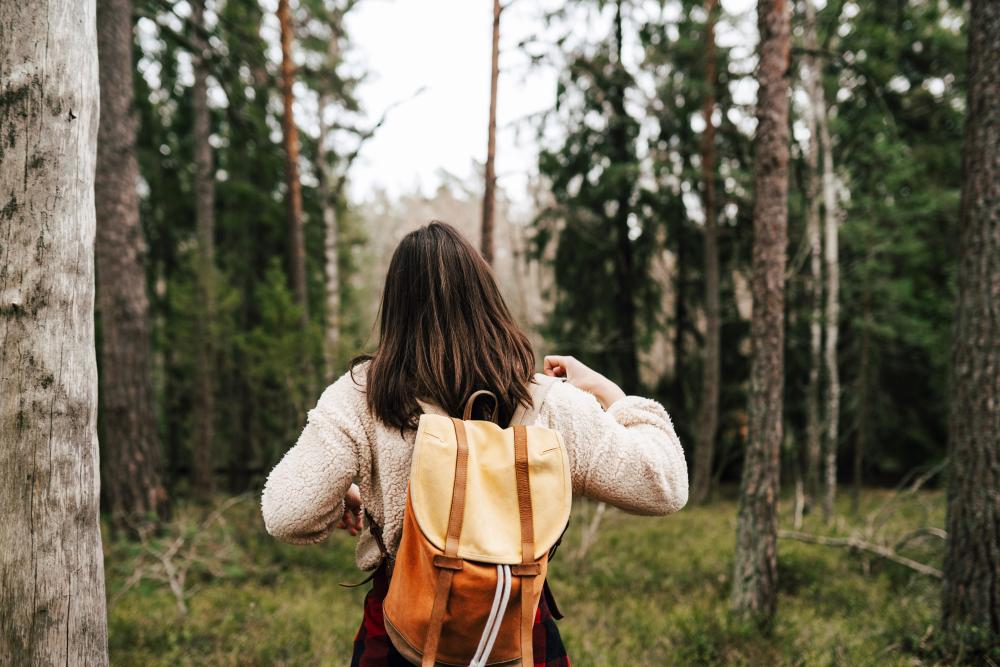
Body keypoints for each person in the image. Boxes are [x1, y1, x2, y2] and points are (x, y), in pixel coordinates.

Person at [261, 221, 688, 666]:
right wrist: (611, 394)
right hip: (517, 635)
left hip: (403, 639)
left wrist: (350, 496)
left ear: (396, 308)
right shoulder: (549, 402)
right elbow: (665, 486)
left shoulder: (361, 394)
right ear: (486, 298)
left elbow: (286, 513)